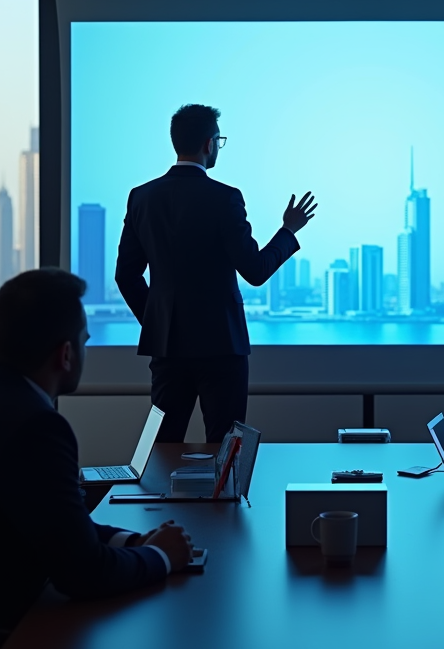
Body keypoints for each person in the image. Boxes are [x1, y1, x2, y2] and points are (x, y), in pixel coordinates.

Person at [0, 269, 194, 631]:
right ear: (67, 354)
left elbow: (56, 525)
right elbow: (84, 574)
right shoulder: (36, 424)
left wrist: (134, 540)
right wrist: (161, 556)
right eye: (85, 341)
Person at [115, 104, 315, 444]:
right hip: (223, 345)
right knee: (226, 451)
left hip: (167, 347)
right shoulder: (225, 198)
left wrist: (157, 322)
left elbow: (126, 276)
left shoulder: (141, 197)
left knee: (162, 447)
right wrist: (288, 231)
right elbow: (255, 270)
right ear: (210, 144)